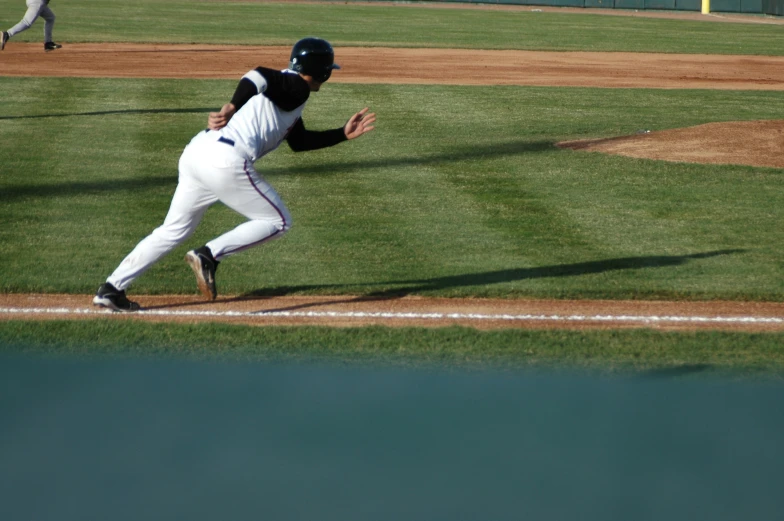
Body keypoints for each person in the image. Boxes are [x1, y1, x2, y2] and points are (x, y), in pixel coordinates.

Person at [92, 37, 376, 312]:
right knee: (278, 221)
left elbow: (299, 142)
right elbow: (259, 74)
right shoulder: (295, 87)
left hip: (198, 151)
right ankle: (209, 254)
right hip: (224, 159)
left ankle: (112, 289)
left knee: (172, 230)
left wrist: (341, 134)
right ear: (323, 72)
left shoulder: (288, 95)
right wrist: (232, 104)